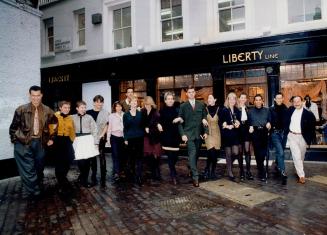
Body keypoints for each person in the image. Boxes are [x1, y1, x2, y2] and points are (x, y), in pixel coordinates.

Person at [9, 85, 57, 200]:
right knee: (28, 167)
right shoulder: (21, 109)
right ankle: (33, 190)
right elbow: (13, 127)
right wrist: (15, 140)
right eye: (33, 96)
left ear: (41, 95)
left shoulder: (48, 110)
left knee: (39, 167)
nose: (35, 98)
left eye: (38, 96)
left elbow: (54, 124)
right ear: (29, 95)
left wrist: (51, 138)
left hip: (40, 142)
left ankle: (36, 184)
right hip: (24, 142)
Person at [178, 86, 208, 187]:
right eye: (189, 92)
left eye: (192, 92)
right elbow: (179, 122)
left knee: (196, 155)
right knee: (192, 153)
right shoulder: (183, 106)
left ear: (195, 93)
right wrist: (182, 134)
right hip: (188, 135)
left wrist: (206, 132)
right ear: (187, 94)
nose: (191, 94)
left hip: (198, 135)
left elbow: (205, 119)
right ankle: (196, 177)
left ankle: (191, 166)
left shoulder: (201, 105)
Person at [285, 96, 316, 184]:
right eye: (295, 101)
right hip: (292, 136)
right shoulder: (290, 110)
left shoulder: (308, 114)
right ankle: (301, 175)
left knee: (301, 156)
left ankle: (298, 168)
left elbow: (312, 128)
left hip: (303, 137)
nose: (296, 103)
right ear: (292, 103)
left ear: (302, 102)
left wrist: (308, 140)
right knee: (296, 155)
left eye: (298, 101)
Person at [50, 101, 75, 193]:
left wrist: (71, 140)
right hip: (57, 140)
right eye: (65, 107)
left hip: (67, 140)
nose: (67, 109)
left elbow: (72, 130)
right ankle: (61, 182)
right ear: (60, 107)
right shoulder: (54, 116)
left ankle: (63, 177)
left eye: (68, 108)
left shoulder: (70, 118)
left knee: (69, 159)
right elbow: (50, 129)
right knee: (59, 162)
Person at [72, 101, 98, 188]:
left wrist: (96, 142)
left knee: (87, 162)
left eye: (84, 107)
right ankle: (82, 176)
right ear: (77, 108)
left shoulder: (89, 117)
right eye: (81, 107)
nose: (83, 109)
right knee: (80, 161)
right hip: (77, 140)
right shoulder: (72, 117)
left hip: (88, 140)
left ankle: (85, 180)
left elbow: (94, 130)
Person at [158, 92, 183, 185]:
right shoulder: (162, 111)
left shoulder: (177, 109)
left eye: (171, 99)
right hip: (166, 136)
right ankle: (173, 174)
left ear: (173, 100)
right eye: (168, 99)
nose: (170, 100)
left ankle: (173, 169)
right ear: (165, 100)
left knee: (175, 156)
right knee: (170, 156)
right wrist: (158, 124)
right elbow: (158, 121)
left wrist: (180, 119)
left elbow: (182, 119)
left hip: (175, 136)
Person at [86, 95, 109, 188]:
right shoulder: (88, 113)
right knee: (92, 158)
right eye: (97, 102)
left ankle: (103, 179)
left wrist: (101, 135)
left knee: (102, 156)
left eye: (101, 102)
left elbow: (106, 126)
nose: (99, 104)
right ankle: (94, 178)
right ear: (94, 102)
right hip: (91, 138)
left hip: (101, 137)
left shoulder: (106, 113)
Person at [248, 94, 271, 182]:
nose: (258, 101)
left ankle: (260, 166)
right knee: (258, 153)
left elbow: (270, 120)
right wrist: (249, 126)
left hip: (264, 132)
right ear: (254, 101)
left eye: (259, 100)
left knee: (263, 152)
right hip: (255, 133)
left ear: (262, 101)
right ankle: (261, 171)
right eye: (256, 100)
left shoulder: (267, 110)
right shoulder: (250, 111)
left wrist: (269, 123)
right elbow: (248, 122)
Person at [220, 92, 242, 181]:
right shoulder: (224, 110)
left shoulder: (237, 110)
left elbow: (239, 121)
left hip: (235, 134)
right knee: (228, 154)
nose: (232, 100)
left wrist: (238, 123)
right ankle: (230, 171)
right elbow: (221, 122)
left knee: (235, 152)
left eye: (234, 98)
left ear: (235, 100)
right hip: (227, 135)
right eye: (230, 98)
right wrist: (226, 125)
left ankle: (228, 166)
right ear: (228, 100)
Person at [123, 95, 144, 186]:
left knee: (139, 157)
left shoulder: (140, 113)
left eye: (136, 102)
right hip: (130, 138)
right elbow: (125, 128)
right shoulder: (126, 114)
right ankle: (132, 173)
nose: (134, 103)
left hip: (139, 137)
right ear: (130, 103)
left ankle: (139, 176)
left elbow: (143, 125)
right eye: (133, 102)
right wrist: (125, 138)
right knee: (131, 157)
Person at [269, 92, 288, 184]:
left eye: (281, 98)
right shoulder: (271, 109)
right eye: (278, 98)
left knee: (280, 152)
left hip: (283, 134)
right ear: (275, 99)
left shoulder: (286, 109)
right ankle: (283, 171)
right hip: (275, 133)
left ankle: (277, 164)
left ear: (283, 99)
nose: (279, 99)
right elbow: (268, 119)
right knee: (280, 152)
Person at [142, 96, 162, 182]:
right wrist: (145, 127)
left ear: (151, 103)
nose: (147, 105)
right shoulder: (142, 112)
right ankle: (152, 171)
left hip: (155, 137)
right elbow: (140, 123)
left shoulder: (155, 112)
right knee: (148, 155)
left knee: (156, 154)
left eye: (148, 104)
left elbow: (157, 123)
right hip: (146, 137)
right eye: (145, 104)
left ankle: (157, 171)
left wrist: (149, 128)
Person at [203, 94, 221, 180]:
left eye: (210, 98)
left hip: (217, 133)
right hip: (208, 133)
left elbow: (222, 121)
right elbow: (201, 120)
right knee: (212, 152)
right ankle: (209, 170)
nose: (209, 99)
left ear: (215, 99)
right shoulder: (205, 109)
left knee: (214, 154)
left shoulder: (219, 109)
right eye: (208, 98)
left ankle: (210, 171)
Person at [107, 101, 124, 182]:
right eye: (117, 106)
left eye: (120, 106)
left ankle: (120, 171)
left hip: (123, 138)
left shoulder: (125, 115)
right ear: (114, 108)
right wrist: (108, 138)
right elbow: (109, 127)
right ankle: (116, 173)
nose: (118, 108)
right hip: (114, 137)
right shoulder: (111, 116)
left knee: (122, 155)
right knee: (115, 155)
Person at [238, 93, 253, 180]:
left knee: (247, 151)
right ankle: (241, 172)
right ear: (239, 99)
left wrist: (251, 126)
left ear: (246, 100)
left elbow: (250, 119)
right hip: (238, 131)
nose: (243, 99)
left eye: (244, 98)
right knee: (240, 152)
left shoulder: (248, 109)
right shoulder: (236, 109)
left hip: (246, 131)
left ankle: (248, 171)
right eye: (241, 97)